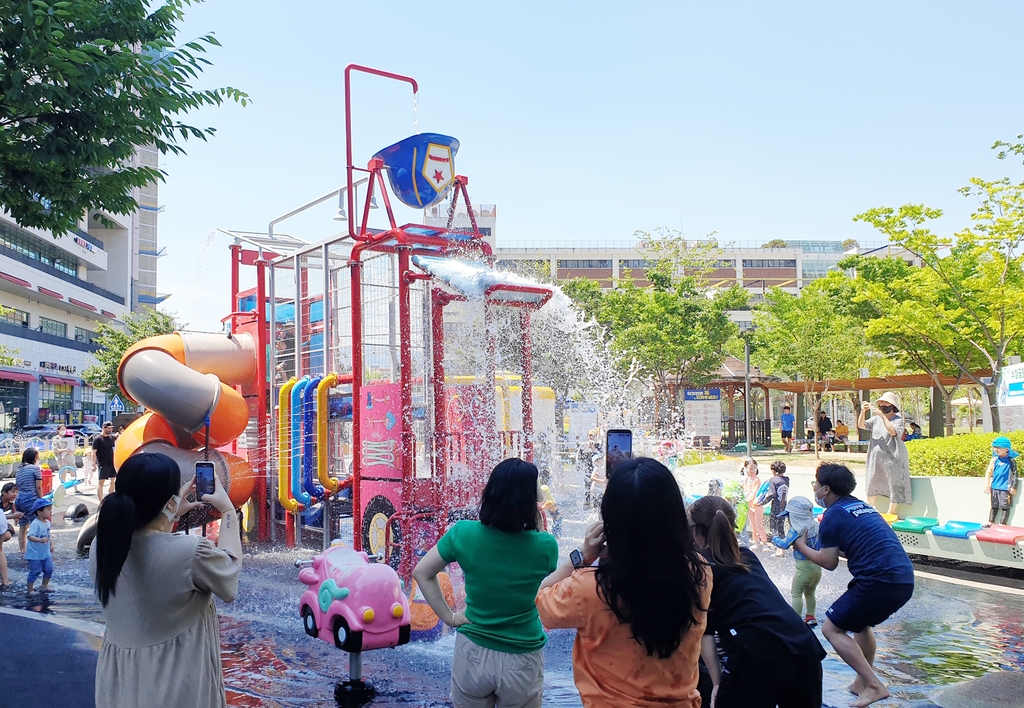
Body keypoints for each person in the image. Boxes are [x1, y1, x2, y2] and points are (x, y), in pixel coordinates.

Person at [536, 458, 711, 708]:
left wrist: (584, 554)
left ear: (609, 523)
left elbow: (541, 596)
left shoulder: (590, 589)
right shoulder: (700, 574)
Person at [91, 452, 241, 707]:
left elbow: (149, 542)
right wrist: (227, 510)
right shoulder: (190, 554)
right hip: (173, 684)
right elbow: (229, 578)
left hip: (119, 684)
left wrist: (169, 513)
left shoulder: (102, 546)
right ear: (170, 503)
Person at [412, 458, 558, 708]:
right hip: (521, 657)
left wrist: (450, 618)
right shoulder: (545, 547)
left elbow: (422, 572)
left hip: (473, 653)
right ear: (529, 503)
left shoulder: (463, 534)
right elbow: (544, 565)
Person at [795, 462, 914, 707]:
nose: (814, 488)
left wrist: (800, 546)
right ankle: (862, 682)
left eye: (816, 484)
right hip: (903, 578)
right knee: (861, 625)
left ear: (826, 489)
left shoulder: (833, 515)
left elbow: (828, 562)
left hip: (878, 581)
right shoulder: (862, 505)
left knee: (831, 629)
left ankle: (873, 685)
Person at [689, 495, 825, 708]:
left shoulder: (700, 568)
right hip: (804, 646)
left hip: (757, 651)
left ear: (695, 530)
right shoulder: (746, 556)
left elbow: (703, 632)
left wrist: (717, 684)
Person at [772, 496, 823, 627]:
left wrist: (774, 539)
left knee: (796, 593)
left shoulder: (796, 529)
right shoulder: (815, 526)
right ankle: (811, 616)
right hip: (817, 568)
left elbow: (784, 544)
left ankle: (795, 619)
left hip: (803, 569)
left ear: (794, 516)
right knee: (810, 593)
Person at [859, 392, 912, 515]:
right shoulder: (875, 419)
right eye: (881, 402)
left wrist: (883, 417)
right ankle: (868, 510)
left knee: (894, 484)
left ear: (892, 405)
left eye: (886, 402)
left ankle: (891, 513)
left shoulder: (898, 420)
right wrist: (863, 412)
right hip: (876, 458)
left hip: (893, 458)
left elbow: (894, 432)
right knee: (873, 481)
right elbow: (862, 425)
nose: (883, 404)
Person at [983, 436, 1018, 526]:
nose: (996, 449)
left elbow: (1015, 475)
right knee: (994, 506)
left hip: (1005, 488)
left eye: (999, 447)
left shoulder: (1011, 461)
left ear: (1006, 449)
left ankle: (1003, 523)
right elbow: (988, 472)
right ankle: (990, 522)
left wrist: (1014, 487)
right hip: (994, 487)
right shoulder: (994, 460)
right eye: (995, 447)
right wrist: (987, 485)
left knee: (1005, 507)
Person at [15, 447, 43, 554]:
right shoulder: (35, 468)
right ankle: (39, 550)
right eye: (37, 457)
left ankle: (22, 551)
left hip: (19, 500)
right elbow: (39, 487)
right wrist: (41, 501)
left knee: (23, 526)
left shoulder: (19, 469)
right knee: (37, 523)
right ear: (35, 458)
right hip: (30, 499)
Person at [25, 497, 54, 594]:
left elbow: (48, 535)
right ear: (39, 512)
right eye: (48, 509)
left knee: (49, 569)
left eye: (51, 509)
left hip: (45, 552)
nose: (51, 511)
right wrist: (40, 540)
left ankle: (44, 586)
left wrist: (51, 544)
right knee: (35, 571)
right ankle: (29, 590)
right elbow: (29, 536)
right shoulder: (35, 524)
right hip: (35, 554)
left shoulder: (48, 523)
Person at [763, 460, 790, 557]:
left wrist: (762, 502)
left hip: (775, 507)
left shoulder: (773, 480)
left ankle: (778, 548)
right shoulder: (787, 479)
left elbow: (772, 494)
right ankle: (781, 549)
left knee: (773, 527)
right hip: (784, 507)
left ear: (774, 471)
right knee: (781, 527)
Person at [740, 458, 767, 549]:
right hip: (749, 505)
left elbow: (755, 492)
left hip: (757, 505)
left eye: (754, 468)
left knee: (759, 524)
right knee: (752, 524)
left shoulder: (756, 479)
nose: (752, 471)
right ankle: (756, 542)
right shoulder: (745, 479)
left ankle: (764, 543)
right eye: (750, 468)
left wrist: (748, 498)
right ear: (745, 468)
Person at [1, 482, 23, 589]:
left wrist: (17, 518)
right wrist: (13, 516)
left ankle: (5, 580)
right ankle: (5, 580)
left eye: (17, 492)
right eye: (13, 492)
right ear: (4, 493)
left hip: (2, 524)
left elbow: (15, 513)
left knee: (8, 536)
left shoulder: (11, 503)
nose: (15, 494)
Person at [93, 421, 116, 502]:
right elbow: (94, 452)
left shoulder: (111, 438)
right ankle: (101, 500)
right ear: (104, 428)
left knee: (113, 480)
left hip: (112, 462)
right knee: (101, 482)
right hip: (103, 463)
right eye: (108, 428)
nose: (110, 430)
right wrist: (94, 464)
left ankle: (110, 498)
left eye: (111, 428)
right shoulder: (98, 439)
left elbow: (113, 449)